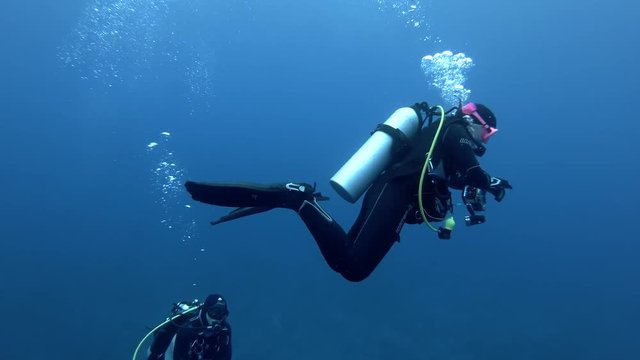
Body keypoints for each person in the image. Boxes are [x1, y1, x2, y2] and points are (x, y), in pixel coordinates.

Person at [184, 102, 513, 282]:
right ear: (476, 122)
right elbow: (472, 171)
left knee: (349, 265)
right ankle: (297, 198)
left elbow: (455, 176)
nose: (486, 139)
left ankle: (300, 201)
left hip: (398, 195)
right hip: (395, 189)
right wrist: (491, 181)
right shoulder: (457, 131)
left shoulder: (448, 139)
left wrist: (473, 185)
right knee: (354, 266)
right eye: (488, 132)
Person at [145, 294, 232, 360]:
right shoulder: (188, 328)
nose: (217, 318)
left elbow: (225, 355)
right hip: (169, 352)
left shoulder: (225, 329)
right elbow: (178, 357)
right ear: (206, 310)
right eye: (214, 312)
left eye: (222, 313)